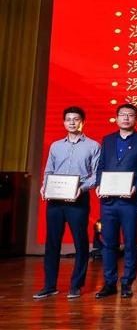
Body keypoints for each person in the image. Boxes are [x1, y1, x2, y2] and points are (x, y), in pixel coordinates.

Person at [34, 106, 100, 300]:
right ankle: (49, 286)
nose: (72, 122)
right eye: (68, 119)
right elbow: (49, 170)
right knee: (52, 242)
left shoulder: (93, 146)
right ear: (64, 122)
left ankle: (76, 285)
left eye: (76, 119)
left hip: (78, 199)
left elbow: (96, 175)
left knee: (80, 242)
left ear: (82, 122)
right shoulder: (56, 146)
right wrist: (44, 186)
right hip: (55, 199)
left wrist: (82, 188)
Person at [95, 103, 137, 299]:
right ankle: (109, 282)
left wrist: (136, 187)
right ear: (117, 118)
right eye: (122, 115)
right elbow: (101, 166)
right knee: (108, 243)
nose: (126, 118)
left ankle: (127, 282)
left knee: (130, 242)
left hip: (130, 200)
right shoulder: (108, 140)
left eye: (130, 115)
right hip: (108, 200)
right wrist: (99, 185)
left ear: (136, 119)